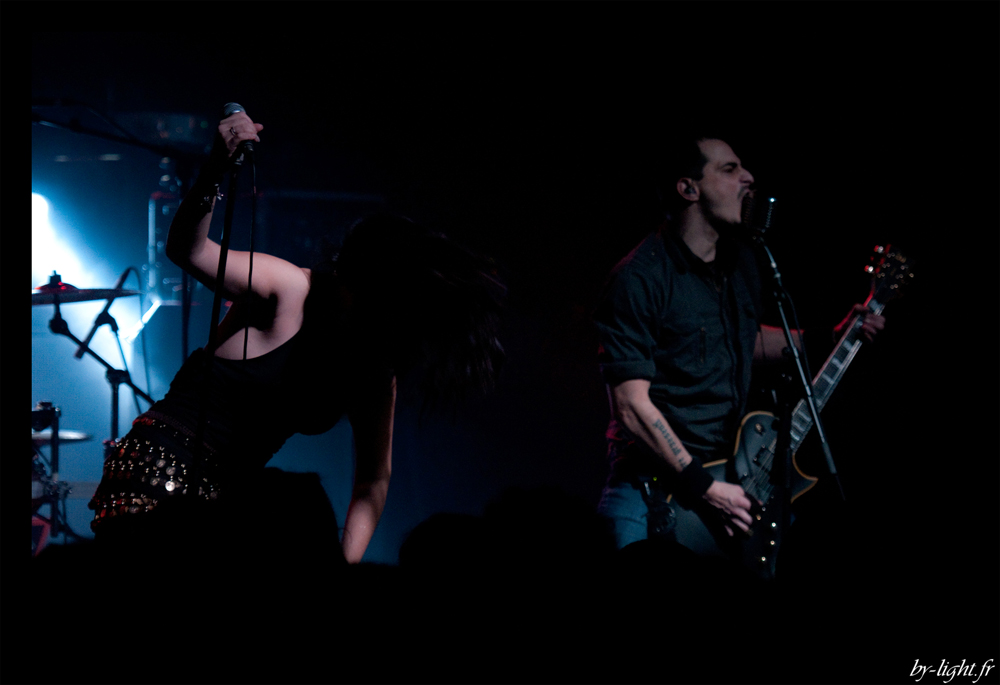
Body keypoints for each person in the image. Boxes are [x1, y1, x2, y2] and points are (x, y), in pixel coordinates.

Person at [85, 108, 505, 572]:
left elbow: (373, 481)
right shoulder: (290, 286)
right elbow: (189, 250)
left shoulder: (374, 363)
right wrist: (217, 166)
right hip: (157, 472)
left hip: (228, 505)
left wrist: (341, 567)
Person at [591, 134, 884, 566]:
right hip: (653, 489)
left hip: (728, 476)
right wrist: (704, 488)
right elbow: (631, 406)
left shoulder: (740, 263)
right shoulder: (640, 278)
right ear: (688, 188)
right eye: (729, 169)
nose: (748, 177)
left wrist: (830, 335)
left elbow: (743, 339)